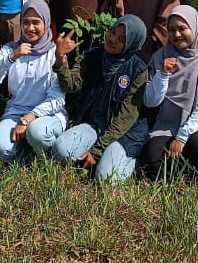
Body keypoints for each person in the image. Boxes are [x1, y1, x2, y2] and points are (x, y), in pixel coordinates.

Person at [138, 5, 198, 181]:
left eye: (183, 29)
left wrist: (183, 136)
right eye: (172, 30)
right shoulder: (161, 57)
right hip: (169, 124)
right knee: (152, 158)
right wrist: (163, 75)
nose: (176, 35)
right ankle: (183, 175)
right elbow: (150, 101)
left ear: (196, 28)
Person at [51, 15, 150, 184]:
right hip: (95, 125)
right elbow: (71, 85)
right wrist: (60, 61)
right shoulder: (93, 56)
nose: (111, 39)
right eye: (112, 31)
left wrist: (97, 150)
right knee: (60, 150)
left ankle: (127, 158)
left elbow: (126, 118)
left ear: (131, 45)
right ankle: (98, 156)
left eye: (121, 39)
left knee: (107, 180)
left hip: (124, 134)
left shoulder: (138, 70)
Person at [0, 0, 67, 162]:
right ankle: (29, 155)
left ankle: (46, 155)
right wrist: (12, 57)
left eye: (36, 22)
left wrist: (28, 118)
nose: (30, 28)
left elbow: (57, 98)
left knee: (38, 133)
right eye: (25, 22)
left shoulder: (54, 53)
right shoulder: (11, 49)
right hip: (16, 111)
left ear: (46, 23)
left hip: (49, 115)